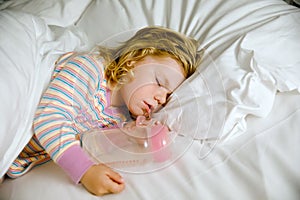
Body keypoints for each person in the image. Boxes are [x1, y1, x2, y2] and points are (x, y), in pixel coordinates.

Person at [6, 26, 204, 196]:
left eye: (167, 97)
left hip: (13, 160)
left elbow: (96, 147)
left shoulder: (118, 117)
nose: (161, 98)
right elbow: (49, 119)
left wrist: (136, 135)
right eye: (160, 83)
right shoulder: (88, 69)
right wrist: (84, 171)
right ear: (133, 60)